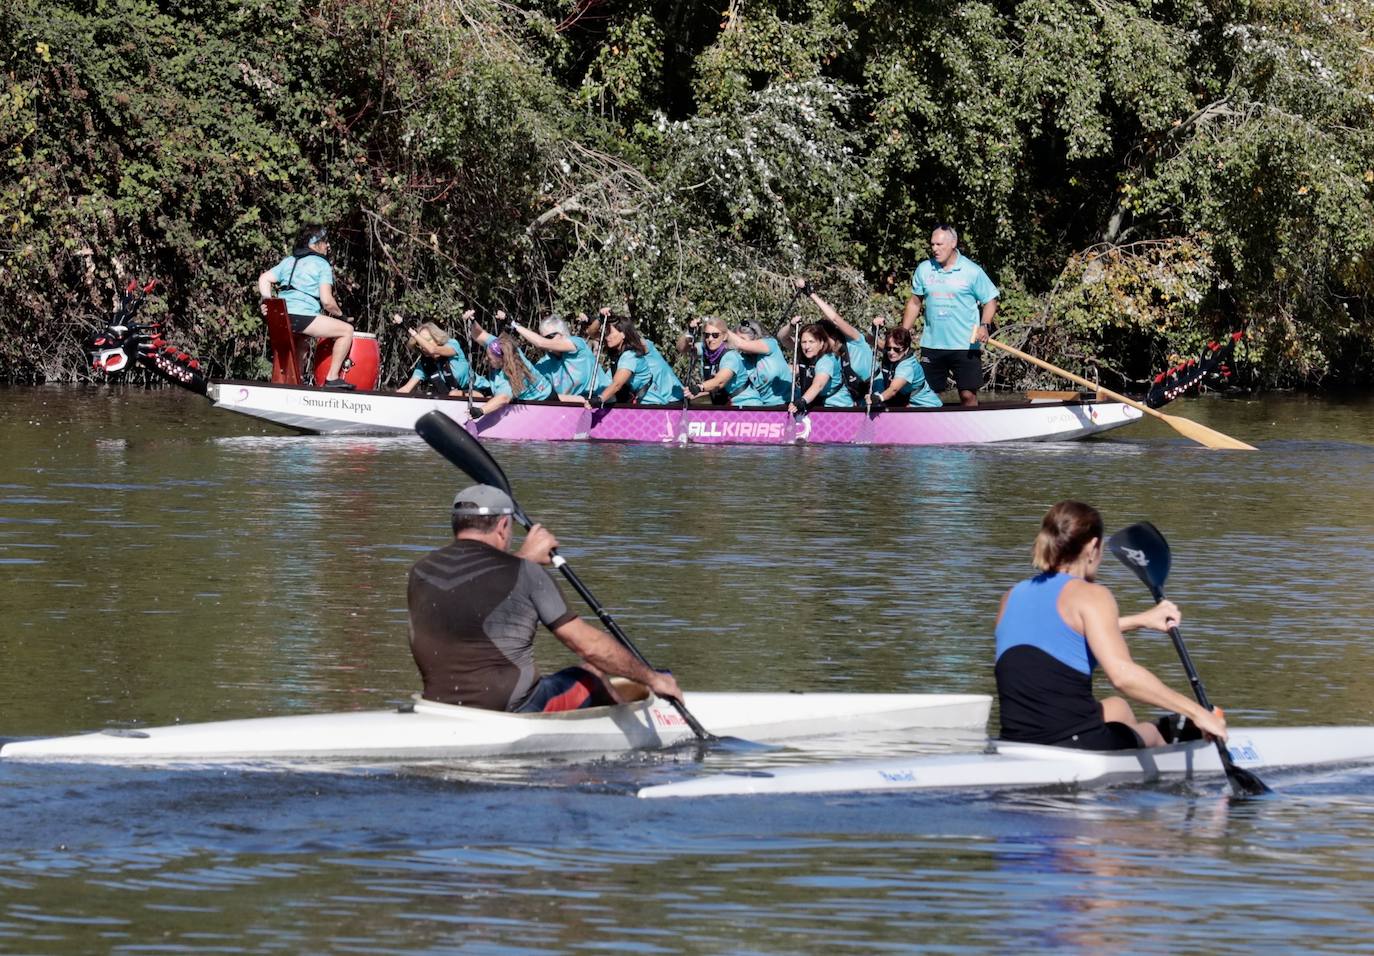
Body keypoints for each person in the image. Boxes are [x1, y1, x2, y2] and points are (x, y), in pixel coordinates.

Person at [408, 484, 685, 712]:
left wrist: (523, 559)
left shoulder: (421, 571)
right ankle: (626, 727)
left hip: (440, 707)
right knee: (593, 673)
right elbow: (588, 646)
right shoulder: (526, 573)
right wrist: (652, 678)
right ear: (503, 525)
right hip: (514, 709)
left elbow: (473, 590)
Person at [994, 501, 1229, 750]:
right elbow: (1123, 676)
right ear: (1093, 547)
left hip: (1014, 741)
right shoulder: (1092, 595)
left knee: (1118, 708)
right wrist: (1196, 712)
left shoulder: (1011, 597)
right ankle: (1163, 742)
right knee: (1153, 732)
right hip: (1071, 743)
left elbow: (1061, 635)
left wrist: (1141, 620)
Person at [901, 224, 999, 407]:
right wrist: (903, 333)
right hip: (932, 344)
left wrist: (984, 325)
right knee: (926, 396)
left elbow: (991, 300)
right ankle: (929, 433)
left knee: (968, 395)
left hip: (965, 345)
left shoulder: (972, 271)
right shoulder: (924, 269)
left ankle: (972, 432)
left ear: (953, 243)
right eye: (932, 245)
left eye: (940, 244)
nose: (935, 249)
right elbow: (915, 302)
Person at [257, 224, 356, 390]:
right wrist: (341, 316)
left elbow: (264, 278)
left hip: (281, 316)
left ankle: (295, 384)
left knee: (302, 343)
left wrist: (267, 301)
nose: (328, 245)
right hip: (302, 316)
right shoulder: (322, 264)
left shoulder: (288, 261)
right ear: (314, 244)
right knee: (346, 331)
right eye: (325, 241)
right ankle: (332, 378)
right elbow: (327, 301)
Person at [794, 278, 874, 402]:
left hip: (875, 389)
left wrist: (811, 294)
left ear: (832, 335)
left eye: (822, 339)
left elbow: (835, 319)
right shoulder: (829, 355)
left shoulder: (854, 339)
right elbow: (786, 340)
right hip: (856, 397)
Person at [584, 315, 684, 407]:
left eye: (610, 333)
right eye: (606, 333)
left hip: (657, 403)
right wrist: (601, 318)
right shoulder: (619, 358)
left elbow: (617, 384)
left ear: (623, 334)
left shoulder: (631, 355)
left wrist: (599, 400)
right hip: (643, 403)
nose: (607, 337)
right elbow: (591, 333)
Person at [471, 311, 555, 416]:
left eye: (490, 358)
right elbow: (479, 334)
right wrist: (472, 320)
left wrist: (481, 410)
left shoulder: (514, 375)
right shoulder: (500, 345)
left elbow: (503, 398)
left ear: (501, 359)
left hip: (544, 400)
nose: (486, 359)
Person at [510, 314, 609, 399]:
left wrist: (514, 324)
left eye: (550, 337)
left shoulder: (577, 343)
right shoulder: (543, 363)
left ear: (563, 334)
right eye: (543, 337)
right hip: (572, 406)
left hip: (600, 400)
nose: (546, 341)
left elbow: (540, 343)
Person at [679, 316, 764, 406]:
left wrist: (699, 387)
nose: (710, 339)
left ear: (724, 336)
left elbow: (719, 382)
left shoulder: (731, 356)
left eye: (715, 335)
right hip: (725, 405)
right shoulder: (706, 351)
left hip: (747, 405)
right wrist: (689, 332)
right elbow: (682, 349)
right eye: (707, 335)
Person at [396, 321, 488, 396]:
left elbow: (432, 350)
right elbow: (407, 389)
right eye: (419, 344)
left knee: (453, 394)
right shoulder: (424, 365)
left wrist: (411, 331)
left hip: (480, 392)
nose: (423, 347)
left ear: (437, 338)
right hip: (453, 399)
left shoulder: (452, 345)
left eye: (427, 341)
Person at [786, 321, 854, 416]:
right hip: (819, 407)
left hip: (838, 408)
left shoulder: (826, 360)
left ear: (821, 343)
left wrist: (802, 401)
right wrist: (790, 325)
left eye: (811, 342)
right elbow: (782, 338)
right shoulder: (808, 355)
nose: (807, 346)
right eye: (803, 342)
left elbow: (818, 385)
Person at [868, 325, 942, 409]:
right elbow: (870, 340)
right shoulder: (894, 353)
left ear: (906, 349)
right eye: (888, 348)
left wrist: (878, 398)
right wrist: (874, 328)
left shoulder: (906, 366)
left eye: (896, 349)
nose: (891, 352)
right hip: (908, 404)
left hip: (926, 407)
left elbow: (893, 390)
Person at [724, 319, 793, 406]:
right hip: (765, 407)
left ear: (754, 337)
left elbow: (741, 344)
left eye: (742, 339)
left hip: (788, 403)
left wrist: (721, 327)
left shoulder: (770, 344)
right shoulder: (742, 358)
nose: (737, 344)